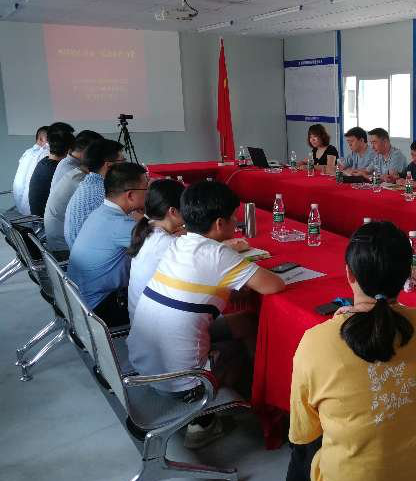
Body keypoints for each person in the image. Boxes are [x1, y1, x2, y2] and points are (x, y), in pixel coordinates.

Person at [283, 221, 416, 481]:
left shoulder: (317, 342)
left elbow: (302, 434)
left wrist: (340, 323)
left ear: (349, 274)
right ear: (410, 273)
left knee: (307, 445)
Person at [128, 181, 285, 448]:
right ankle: (205, 420)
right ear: (221, 223)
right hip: (182, 384)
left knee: (246, 321)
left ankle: (255, 393)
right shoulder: (218, 254)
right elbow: (274, 285)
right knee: (243, 346)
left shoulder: (178, 243)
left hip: (144, 366)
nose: (237, 222)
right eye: (234, 217)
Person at [66, 163, 148, 327]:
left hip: (79, 302)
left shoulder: (100, 212)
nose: (149, 194)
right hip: (99, 310)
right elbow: (164, 245)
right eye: (146, 189)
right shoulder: (122, 226)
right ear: (130, 195)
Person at [126, 179, 186, 322]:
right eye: (186, 207)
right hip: (155, 324)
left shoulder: (148, 229)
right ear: (173, 211)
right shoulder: (167, 244)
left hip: (142, 320)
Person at [43, 131, 104, 252]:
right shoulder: (76, 174)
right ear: (88, 152)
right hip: (63, 247)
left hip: (57, 235)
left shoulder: (68, 164)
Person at [64, 139, 124, 248]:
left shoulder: (89, 183)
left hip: (78, 251)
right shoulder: (103, 193)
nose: (126, 166)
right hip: (88, 253)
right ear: (109, 166)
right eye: (122, 161)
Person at [27, 122, 75, 217]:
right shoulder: (61, 169)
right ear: (70, 148)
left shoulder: (44, 162)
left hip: (36, 218)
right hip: (44, 221)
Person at [11, 126, 49, 216]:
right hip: (37, 212)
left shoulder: (27, 153)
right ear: (41, 139)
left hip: (20, 208)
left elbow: (18, 185)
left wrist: (20, 206)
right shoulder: (47, 154)